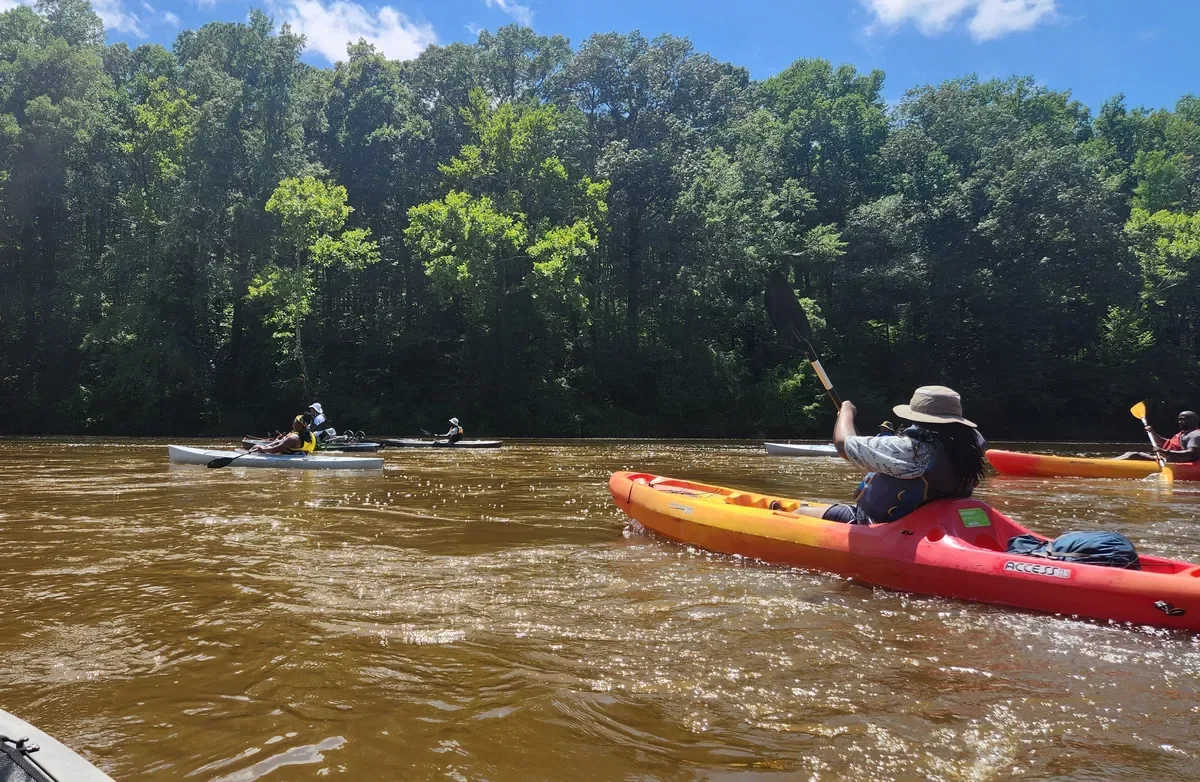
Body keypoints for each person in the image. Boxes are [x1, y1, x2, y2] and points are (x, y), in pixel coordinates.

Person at [790, 386, 987, 524]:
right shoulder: (972, 444)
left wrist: (845, 413)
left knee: (801, 512)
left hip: (884, 526)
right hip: (936, 523)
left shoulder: (912, 450)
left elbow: (843, 444)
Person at [1116, 410, 1200, 462]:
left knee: (1134, 455)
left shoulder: (1195, 434)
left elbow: (1191, 452)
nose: (1179, 422)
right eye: (1179, 420)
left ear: (1194, 420)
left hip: (1178, 463)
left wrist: (1165, 451)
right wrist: (1152, 432)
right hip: (1168, 459)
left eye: (1183, 419)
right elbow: (1166, 443)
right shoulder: (1183, 433)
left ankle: (1107, 466)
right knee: (1130, 453)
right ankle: (1109, 463)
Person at [249, 415, 317, 455]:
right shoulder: (309, 435)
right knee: (258, 446)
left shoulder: (294, 438)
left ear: (299, 425)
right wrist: (267, 445)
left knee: (257, 447)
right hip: (303, 456)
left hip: (292, 457)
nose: (293, 424)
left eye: (294, 422)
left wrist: (263, 448)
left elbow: (276, 449)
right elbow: (280, 443)